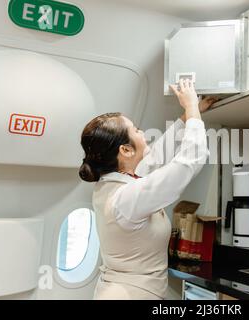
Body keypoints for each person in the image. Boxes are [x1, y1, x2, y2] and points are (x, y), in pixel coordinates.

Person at [78, 79, 216, 299]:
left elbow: (156, 157)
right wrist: (191, 108)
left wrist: (189, 115)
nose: (143, 133)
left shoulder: (117, 182)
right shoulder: (125, 197)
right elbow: (189, 161)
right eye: (137, 130)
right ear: (125, 150)